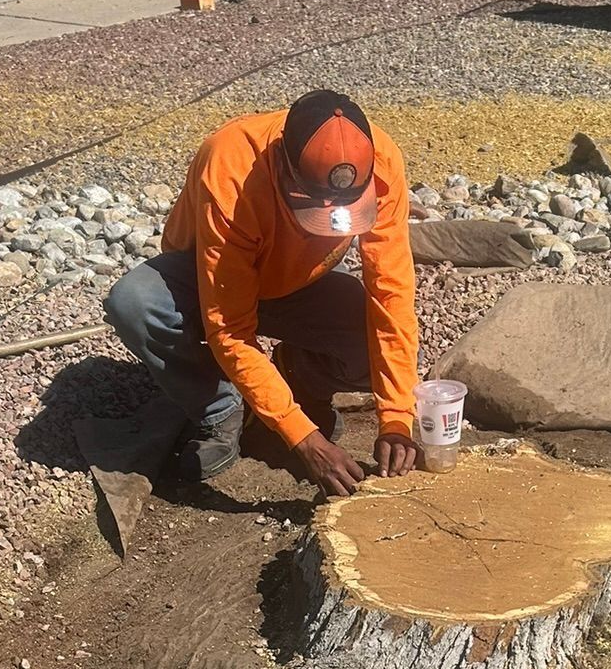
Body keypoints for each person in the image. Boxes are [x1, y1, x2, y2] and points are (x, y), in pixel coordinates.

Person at [103, 91, 419, 497]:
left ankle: (298, 374)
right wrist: (303, 437)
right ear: (284, 170)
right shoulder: (232, 166)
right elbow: (230, 328)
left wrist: (396, 416)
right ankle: (221, 407)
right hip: (208, 281)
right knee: (135, 302)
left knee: (373, 347)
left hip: (299, 282)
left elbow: (392, 298)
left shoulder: (381, 163)